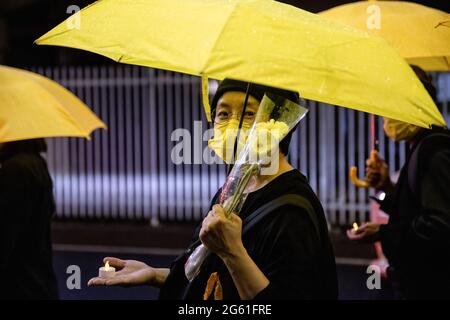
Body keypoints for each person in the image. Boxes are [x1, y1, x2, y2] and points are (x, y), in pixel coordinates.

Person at [89, 79, 338, 300]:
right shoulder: (232, 192)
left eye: (249, 114)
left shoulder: (292, 211)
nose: (232, 126)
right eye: (223, 114)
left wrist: (232, 251)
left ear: (277, 126)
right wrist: (155, 275)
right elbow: (211, 272)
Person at [347, 66, 450, 299]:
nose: (387, 114)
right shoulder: (422, 146)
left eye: (392, 103)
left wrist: (384, 232)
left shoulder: (435, 151)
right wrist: (387, 188)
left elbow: (439, 227)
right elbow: (417, 209)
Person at [0, 139, 59, 299]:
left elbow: (5, 233)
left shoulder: (15, 171)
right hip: (37, 281)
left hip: (20, 285)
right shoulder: (35, 163)